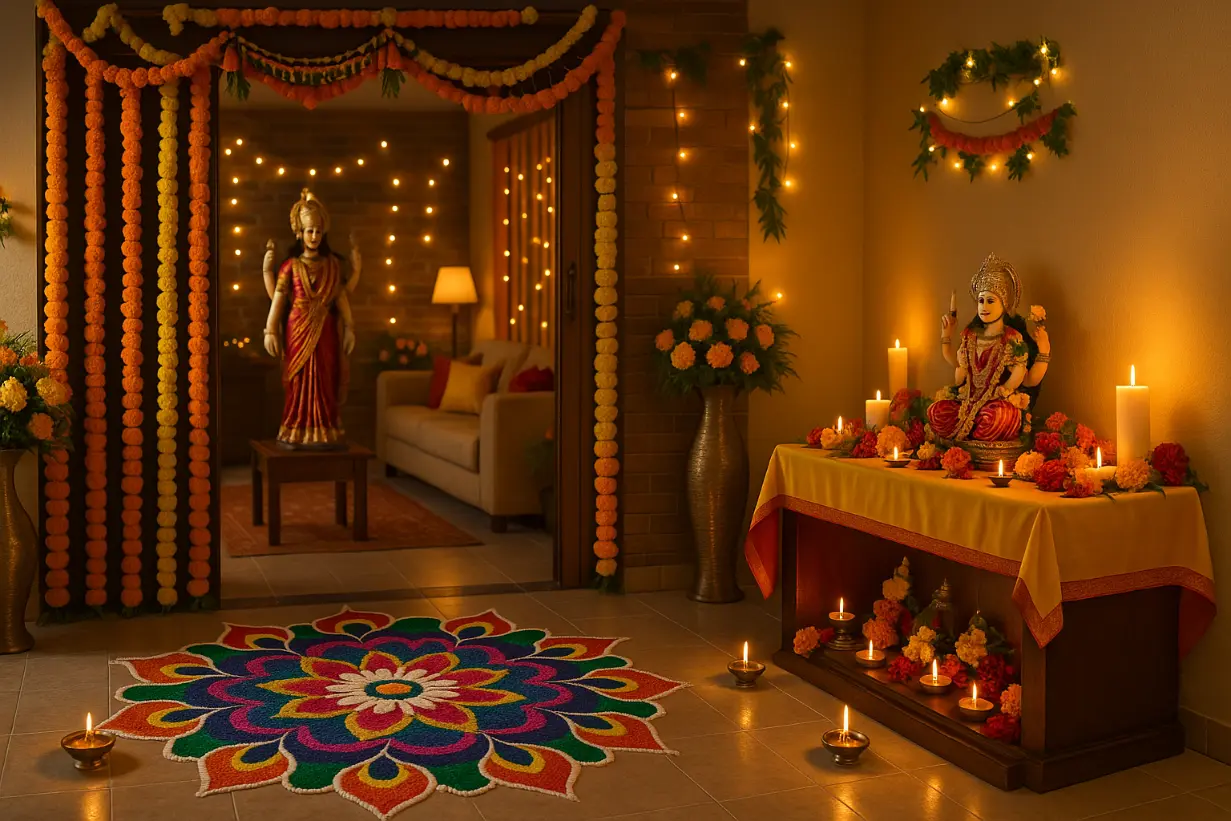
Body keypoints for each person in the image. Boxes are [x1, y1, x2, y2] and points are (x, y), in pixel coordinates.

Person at [262, 188, 361, 447]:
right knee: (299, 378)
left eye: (318, 230)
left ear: (323, 232)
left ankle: (324, 428)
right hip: (297, 328)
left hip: (326, 330)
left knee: (326, 377)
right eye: (309, 231)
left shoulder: (332, 266)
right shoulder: (290, 267)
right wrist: (271, 330)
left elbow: (341, 298)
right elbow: (279, 301)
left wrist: (350, 327)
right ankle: (296, 427)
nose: (314, 236)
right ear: (300, 233)